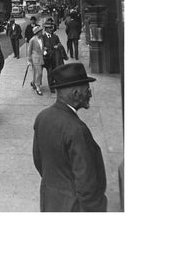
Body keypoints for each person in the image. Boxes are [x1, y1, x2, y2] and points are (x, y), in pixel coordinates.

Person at [32, 62, 107, 212]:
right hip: (74, 207)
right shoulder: (77, 130)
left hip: (50, 202)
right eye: (87, 89)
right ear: (76, 94)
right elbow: (87, 184)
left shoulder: (42, 117)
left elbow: (38, 160)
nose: (90, 94)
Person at [42, 22, 63, 93]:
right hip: (47, 58)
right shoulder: (43, 37)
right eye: (49, 28)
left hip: (55, 58)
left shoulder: (55, 36)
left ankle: (56, 84)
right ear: (46, 29)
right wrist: (43, 48)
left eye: (51, 28)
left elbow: (59, 43)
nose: (51, 29)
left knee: (55, 71)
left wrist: (58, 46)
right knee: (50, 72)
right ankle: (52, 87)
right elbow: (40, 46)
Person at [27, 25, 44, 95]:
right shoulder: (32, 40)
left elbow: (42, 47)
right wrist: (29, 60)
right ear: (37, 32)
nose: (42, 32)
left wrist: (44, 51)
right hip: (35, 58)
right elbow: (29, 50)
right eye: (40, 31)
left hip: (41, 58)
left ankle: (34, 82)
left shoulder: (42, 39)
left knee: (36, 72)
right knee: (39, 73)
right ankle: (38, 87)